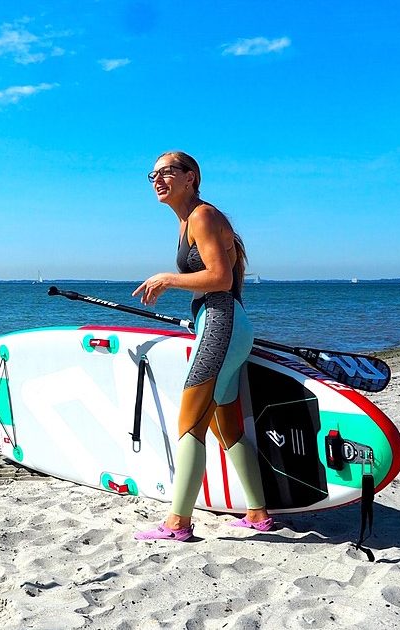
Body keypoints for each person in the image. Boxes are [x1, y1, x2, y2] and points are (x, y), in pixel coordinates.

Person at [131, 151, 272, 542]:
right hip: (224, 324)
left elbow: (221, 279)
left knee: (189, 423)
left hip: (221, 322)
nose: (157, 179)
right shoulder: (188, 221)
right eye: (152, 174)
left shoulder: (202, 216)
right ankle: (258, 514)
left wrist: (168, 279)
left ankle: (177, 524)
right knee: (226, 426)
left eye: (167, 172)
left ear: (191, 177)